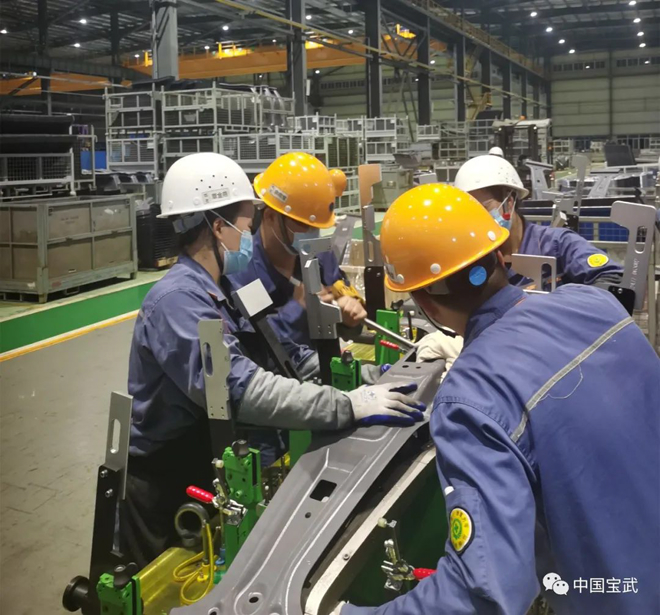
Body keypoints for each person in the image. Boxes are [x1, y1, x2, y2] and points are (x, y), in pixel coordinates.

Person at [338, 184, 660, 615]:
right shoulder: (595, 304)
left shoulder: (470, 397)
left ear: (423, 301)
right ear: (501, 255)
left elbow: (484, 594)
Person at [121, 153, 425, 568]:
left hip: (209, 463)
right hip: (167, 483)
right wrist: (346, 405)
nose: (250, 234)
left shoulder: (231, 287)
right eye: (246, 224)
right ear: (218, 227)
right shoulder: (178, 302)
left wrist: (369, 376)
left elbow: (283, 354)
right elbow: (240, 388)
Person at [417, 153, 624, 364]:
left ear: (509, 202)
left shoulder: (557, 244)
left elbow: (615, 284)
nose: (477, 220)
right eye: (469, 213)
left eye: (483, 209)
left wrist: (553, 310)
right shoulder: (474, 260)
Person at [230, 152, 366, 348]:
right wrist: (298, 308)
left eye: (317, 226)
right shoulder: (243, 272)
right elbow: (250, 348)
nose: (312, 233)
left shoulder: (321, 256)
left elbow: (347, 310)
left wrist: (350, 316)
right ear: (270, 217)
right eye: (303, 225)